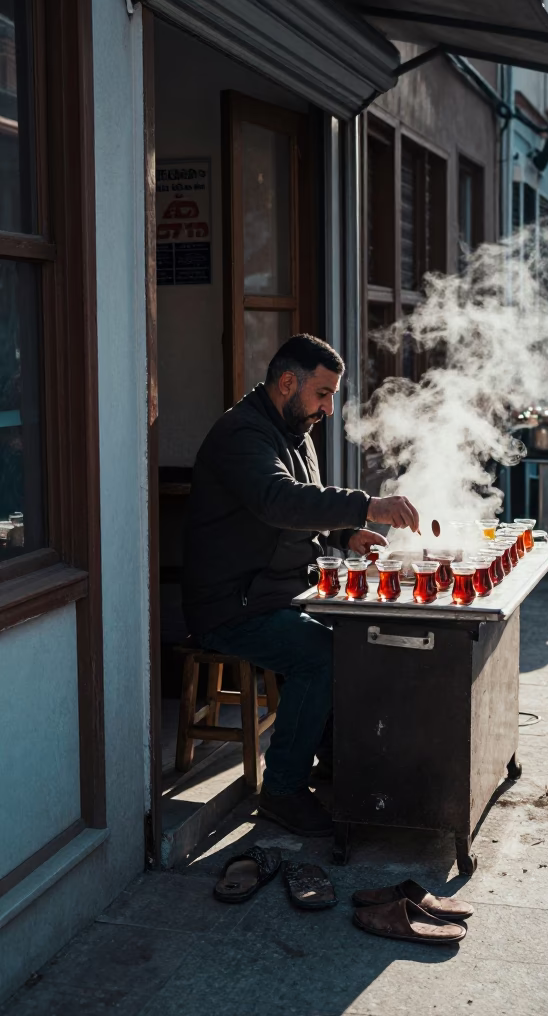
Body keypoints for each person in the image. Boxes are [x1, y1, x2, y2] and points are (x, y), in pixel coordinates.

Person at [182, 334, 419, 837]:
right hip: (232, 606)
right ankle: (283, 790)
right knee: (323, 655)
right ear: (287, 382)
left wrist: (345, 533)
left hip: (280, 593)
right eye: (323, 394)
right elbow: (278, 500)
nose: (328, 409)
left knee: (357, 639)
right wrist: (366, 505)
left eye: (333, 396)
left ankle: (337, 765)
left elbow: (299, 512)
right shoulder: (242, 434)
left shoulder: (293, 429)